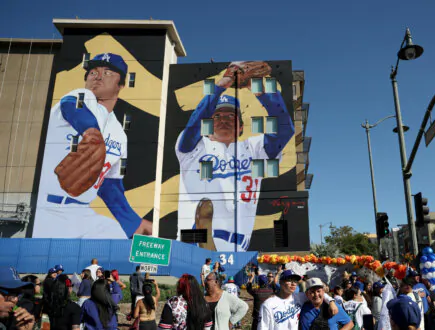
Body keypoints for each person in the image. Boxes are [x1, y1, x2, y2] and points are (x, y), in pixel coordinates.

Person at [175, 61, 295, 251]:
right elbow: (194, 124)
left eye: (231, 116)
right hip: (197, 239)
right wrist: (220, 87)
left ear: (241, 126)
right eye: (218, 116)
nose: (224, 120)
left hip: (241, 245)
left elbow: (285, 129)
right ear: (208, 124)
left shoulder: (254, 148)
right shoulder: (194, 147)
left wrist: (259, 90)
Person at [32, 52, 151, 239]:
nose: (98, 77)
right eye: (93, 72)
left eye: (108, 73)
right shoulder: (81, 96)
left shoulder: (119, 133)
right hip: (46, 211)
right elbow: (72, 107)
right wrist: (92, 134)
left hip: (82, 214)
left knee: (123, 245)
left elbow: (109, 185)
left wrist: (133, 221)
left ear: (121, 85)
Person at [258, 270, 338, 330]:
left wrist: (331, 302)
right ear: (281, 282)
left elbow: (319, 294)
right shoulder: (268, 304)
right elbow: (262, 327)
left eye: (295, 281)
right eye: (289, 280)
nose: (293, 284)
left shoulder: (299, 297)